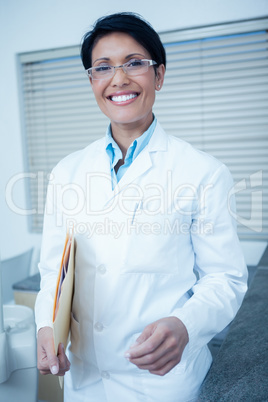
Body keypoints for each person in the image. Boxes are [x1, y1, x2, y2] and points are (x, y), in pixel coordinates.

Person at [35, 12, 248, 402]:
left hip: (161, 381)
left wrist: (186, 325)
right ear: (92, 81)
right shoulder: (67, 172)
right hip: (86, 377)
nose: (119, 79)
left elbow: (225, 279)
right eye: (103, 68)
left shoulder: (202, 172)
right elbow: (54, 268)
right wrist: (46, 326)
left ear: (160, 75)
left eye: (135, 63)